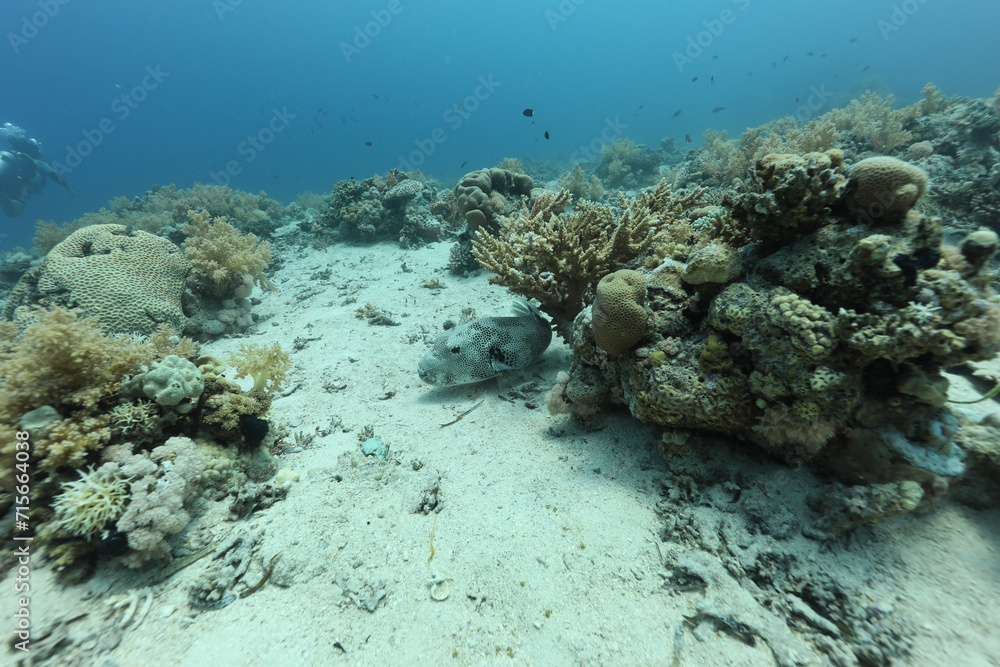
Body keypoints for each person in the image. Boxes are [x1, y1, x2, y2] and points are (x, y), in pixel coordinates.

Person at [0, 123, 73, 218]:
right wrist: (68, 188)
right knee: (13, 212)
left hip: (6, 180)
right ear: (35, 151)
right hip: (17, 185)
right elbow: (53, 174)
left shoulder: (15, 158)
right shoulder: (37, 162)